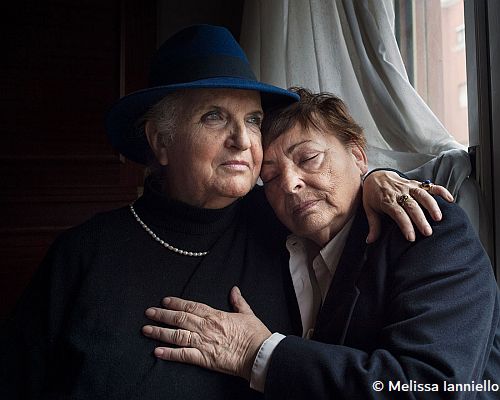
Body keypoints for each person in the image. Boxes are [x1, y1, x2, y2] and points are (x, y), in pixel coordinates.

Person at [1, 26, 450, 399]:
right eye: (214, 117)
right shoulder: (83, 254)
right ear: (160, 142)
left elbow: (336, 187)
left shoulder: (281, 218)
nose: (242, 139)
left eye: (253, 120)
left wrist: (375, 178)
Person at [142, 88, 500, 399]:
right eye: (269, 177)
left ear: (358, 155)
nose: (291, 183)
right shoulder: (270, 228)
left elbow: (432, 387)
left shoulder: (428, 230)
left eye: (309, 158)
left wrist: (257, 352)